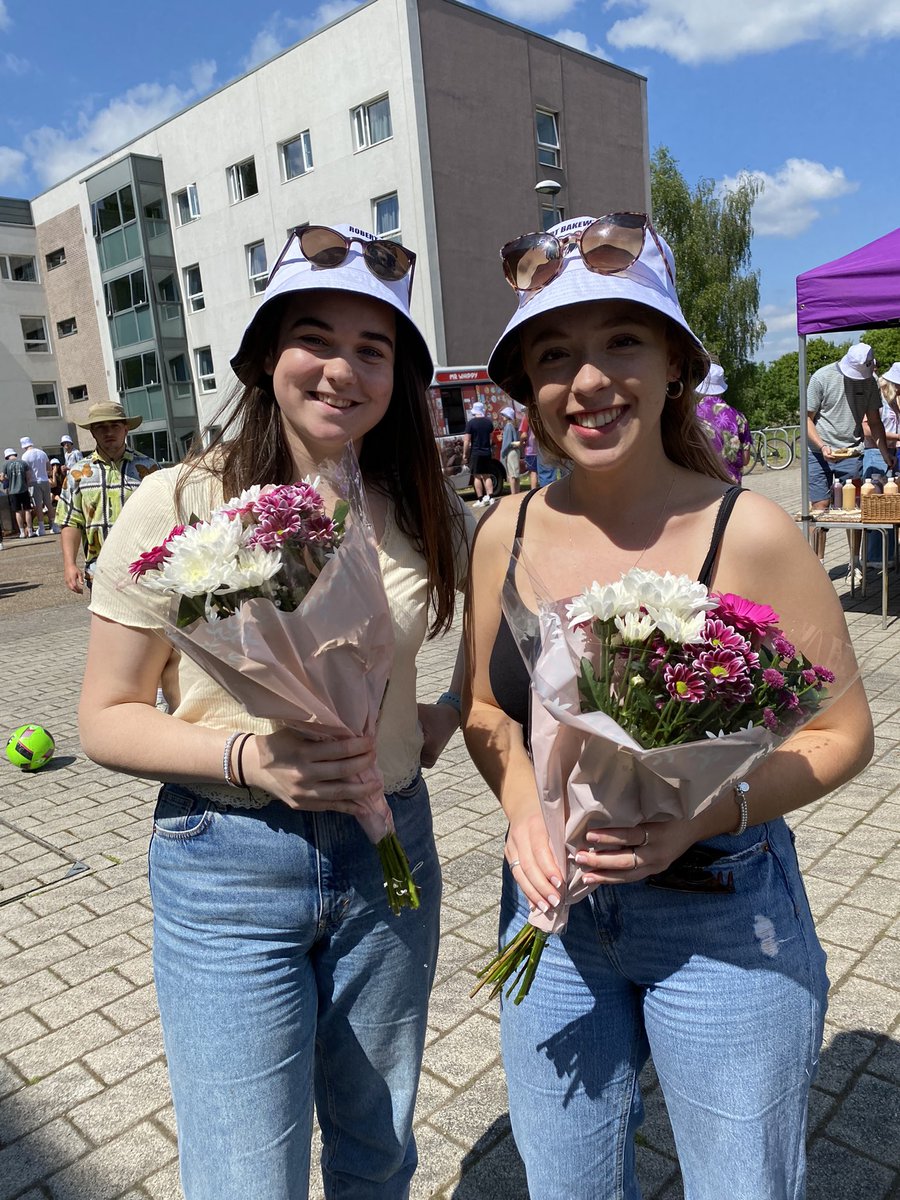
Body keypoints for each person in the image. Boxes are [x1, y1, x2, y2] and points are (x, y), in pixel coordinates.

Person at [463, 212, 872, 1199]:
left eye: (622, 341)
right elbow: (484, 708)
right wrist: (525, 808)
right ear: (528, 388)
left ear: (677, 362)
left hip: (724, 913)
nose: (589, 379)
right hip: (554, 919)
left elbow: (842, 731)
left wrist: (701, 813)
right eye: (555, 354)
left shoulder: (751, 529)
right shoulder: (503, 531)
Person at [78, 222, 472, 1200]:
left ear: (399, 376)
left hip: (390, 857)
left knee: (378, 1152)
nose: (344, 369)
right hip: (229, 866)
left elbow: (502, 635)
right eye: (316, 338)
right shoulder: (182, 504)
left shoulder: (420, 504)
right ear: (265, 357)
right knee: (245, 1177)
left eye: (373, 348)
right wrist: (254, 758)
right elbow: (106, 714)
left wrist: (446, 714)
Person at [806, 342, 894, 586]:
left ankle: (854, 562)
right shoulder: (822, 377)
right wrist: (823, 446)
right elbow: (806, 419)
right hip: (818, 452)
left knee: (853, 511)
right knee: (819, 509)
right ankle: (817, 565)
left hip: (852, 452)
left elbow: (875, 422)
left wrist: (884, 451)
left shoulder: (869, 381)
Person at [55, 401, 159, 594]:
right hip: (99, 571)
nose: (108, 432)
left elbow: (163, 517)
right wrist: (69, 564)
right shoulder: (78, 473)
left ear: (126, 429)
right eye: (101, 427)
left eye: (115, 426)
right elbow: (70, 521)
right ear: (93, 432)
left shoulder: (148, 468)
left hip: (144, 569)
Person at [861, 361, 900, 565]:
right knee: (877, 506)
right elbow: (868, 429)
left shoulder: (893, 400)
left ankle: (888, 555)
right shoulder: (878, 398)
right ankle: (875, 557)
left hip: (891, 451)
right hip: (876, 453)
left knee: (891, 506)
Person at [695, 363, 753, 483]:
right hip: (730, 487)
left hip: (698, 485)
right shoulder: (739, 417)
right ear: (721, 389)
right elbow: (746, 459)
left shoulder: (689, 415)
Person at [20, 436, 58, 535]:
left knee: (38, 506)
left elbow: (26, 472)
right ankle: (54, 525)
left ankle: (41, 528)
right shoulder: (42, 453)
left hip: (34, 482)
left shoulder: (25, 456)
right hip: (45, 480)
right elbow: (49, 468)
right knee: (49, 504)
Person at [463, 400, 497, 506]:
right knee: (487, 475)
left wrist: (465, 454)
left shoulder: (471, 423)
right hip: (487, 452)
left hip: (476, 452)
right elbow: (491, 440)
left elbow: (467, 440)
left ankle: (481, 499)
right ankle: (491, 497)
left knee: (477, 476)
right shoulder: (488, 422)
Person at [2, 447, 35, 538]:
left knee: (18, 511)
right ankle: (30, 531)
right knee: (27, 510)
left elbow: (1, 478)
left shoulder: (6, 465)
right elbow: (28, 477)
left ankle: (22, 532)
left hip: (13, 491)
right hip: (24, 489)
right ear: (15, 455)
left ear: (7, 456)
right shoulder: (23, 463)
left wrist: (8, 481)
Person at [499, 405, 522, 495]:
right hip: (515, 451)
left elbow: (507, 443)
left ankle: (513, 493)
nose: (502, 417)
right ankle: (517, 492)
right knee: (516, 474)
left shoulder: (508, 426)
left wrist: (502, 452)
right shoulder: (512, 425)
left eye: (503, 415)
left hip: (510, 452)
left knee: (512, 475)